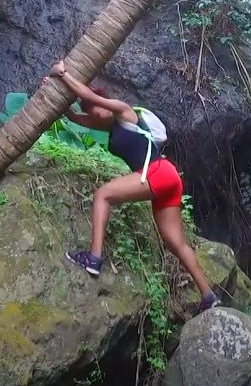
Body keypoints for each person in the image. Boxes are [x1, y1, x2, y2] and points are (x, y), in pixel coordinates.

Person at [48, 59, 219, 313]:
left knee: (102, 195)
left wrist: (63, 74)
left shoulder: (123, 110)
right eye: (91, 110)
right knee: (176, 243)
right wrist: (59, 102)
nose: (95, 113)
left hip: (157, 173)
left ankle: (93, 258)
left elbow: (85, 94)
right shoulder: (109, 124)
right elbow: (78, 118)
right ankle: (209, 297)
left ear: (102, 102)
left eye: (95, 107)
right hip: (166, 179)